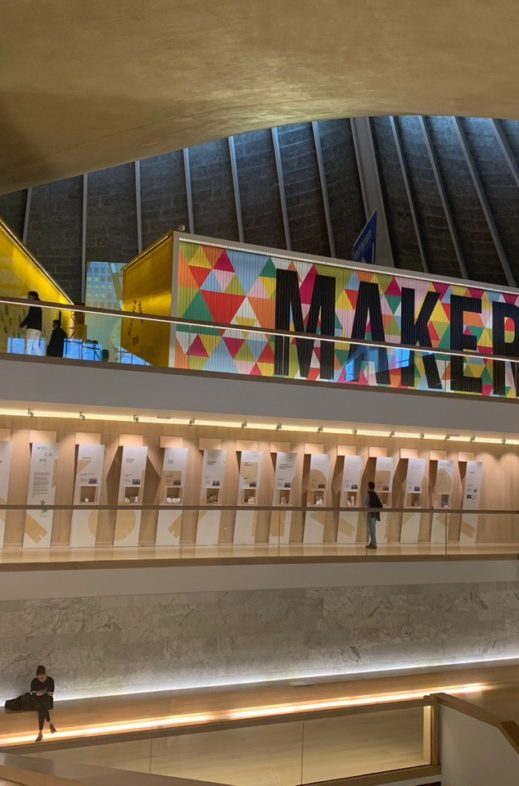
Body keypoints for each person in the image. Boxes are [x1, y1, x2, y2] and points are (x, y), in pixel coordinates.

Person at [31, 664, 56, 742]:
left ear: (46, 675)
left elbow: (50, 694)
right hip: (37, 701)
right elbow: (32, 694)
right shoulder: (34, 681)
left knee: (42, 706)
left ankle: (40, 732)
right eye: (39, 678)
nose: (41, 679)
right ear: (37, 677)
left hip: (47, 700)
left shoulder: (50, 680)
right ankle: (49, 724)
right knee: (41, 705)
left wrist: (41, 693)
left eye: (43, 677)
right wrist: (37, 694)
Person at [20, 291, 43, 356]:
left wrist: (23, 324)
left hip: (32, 328)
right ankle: (42, 359)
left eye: (29, 297)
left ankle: (27, 360)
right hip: (38, 329)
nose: (28, 298)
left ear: (33, 297)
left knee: (29, 346)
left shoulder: (34, 304)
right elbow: (30, 316)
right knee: (35, 346)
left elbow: (30, 316)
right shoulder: (39, 305)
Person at [365, 481, 383, 550]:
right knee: (372, 528)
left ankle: (374, 543)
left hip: (371, 513)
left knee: (371, 528)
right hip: (374, 513)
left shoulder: (369, 494)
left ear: (369, 487)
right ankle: (372, 542)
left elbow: (366, 502)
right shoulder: (376, 494)